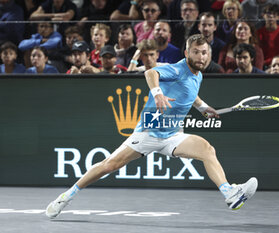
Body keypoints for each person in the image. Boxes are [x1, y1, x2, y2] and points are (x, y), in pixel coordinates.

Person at [45, 34, 258, 219]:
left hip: (173, 134)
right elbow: (150, 73)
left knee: (206, 149)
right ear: (186, 53)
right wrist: (158, 94)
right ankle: (67, 196)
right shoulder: (176, 69)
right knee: (109, 166)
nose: (201, 57)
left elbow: (191, 94)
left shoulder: (198, 75)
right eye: (196, 52)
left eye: (204, 52)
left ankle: (229, 192)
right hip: (148, 132)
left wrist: (203, 107)